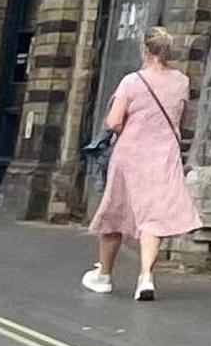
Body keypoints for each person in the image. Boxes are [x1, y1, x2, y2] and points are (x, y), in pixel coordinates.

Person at [85, 25, 204, 300]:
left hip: (131, 155)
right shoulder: (181, 82)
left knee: (115, 212)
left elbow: (114, 122)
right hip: (164, 154)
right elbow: (182, 120)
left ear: (145, 49)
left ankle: (103, 276)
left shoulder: (131, 82)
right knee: (154, 218)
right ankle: (146, 277)